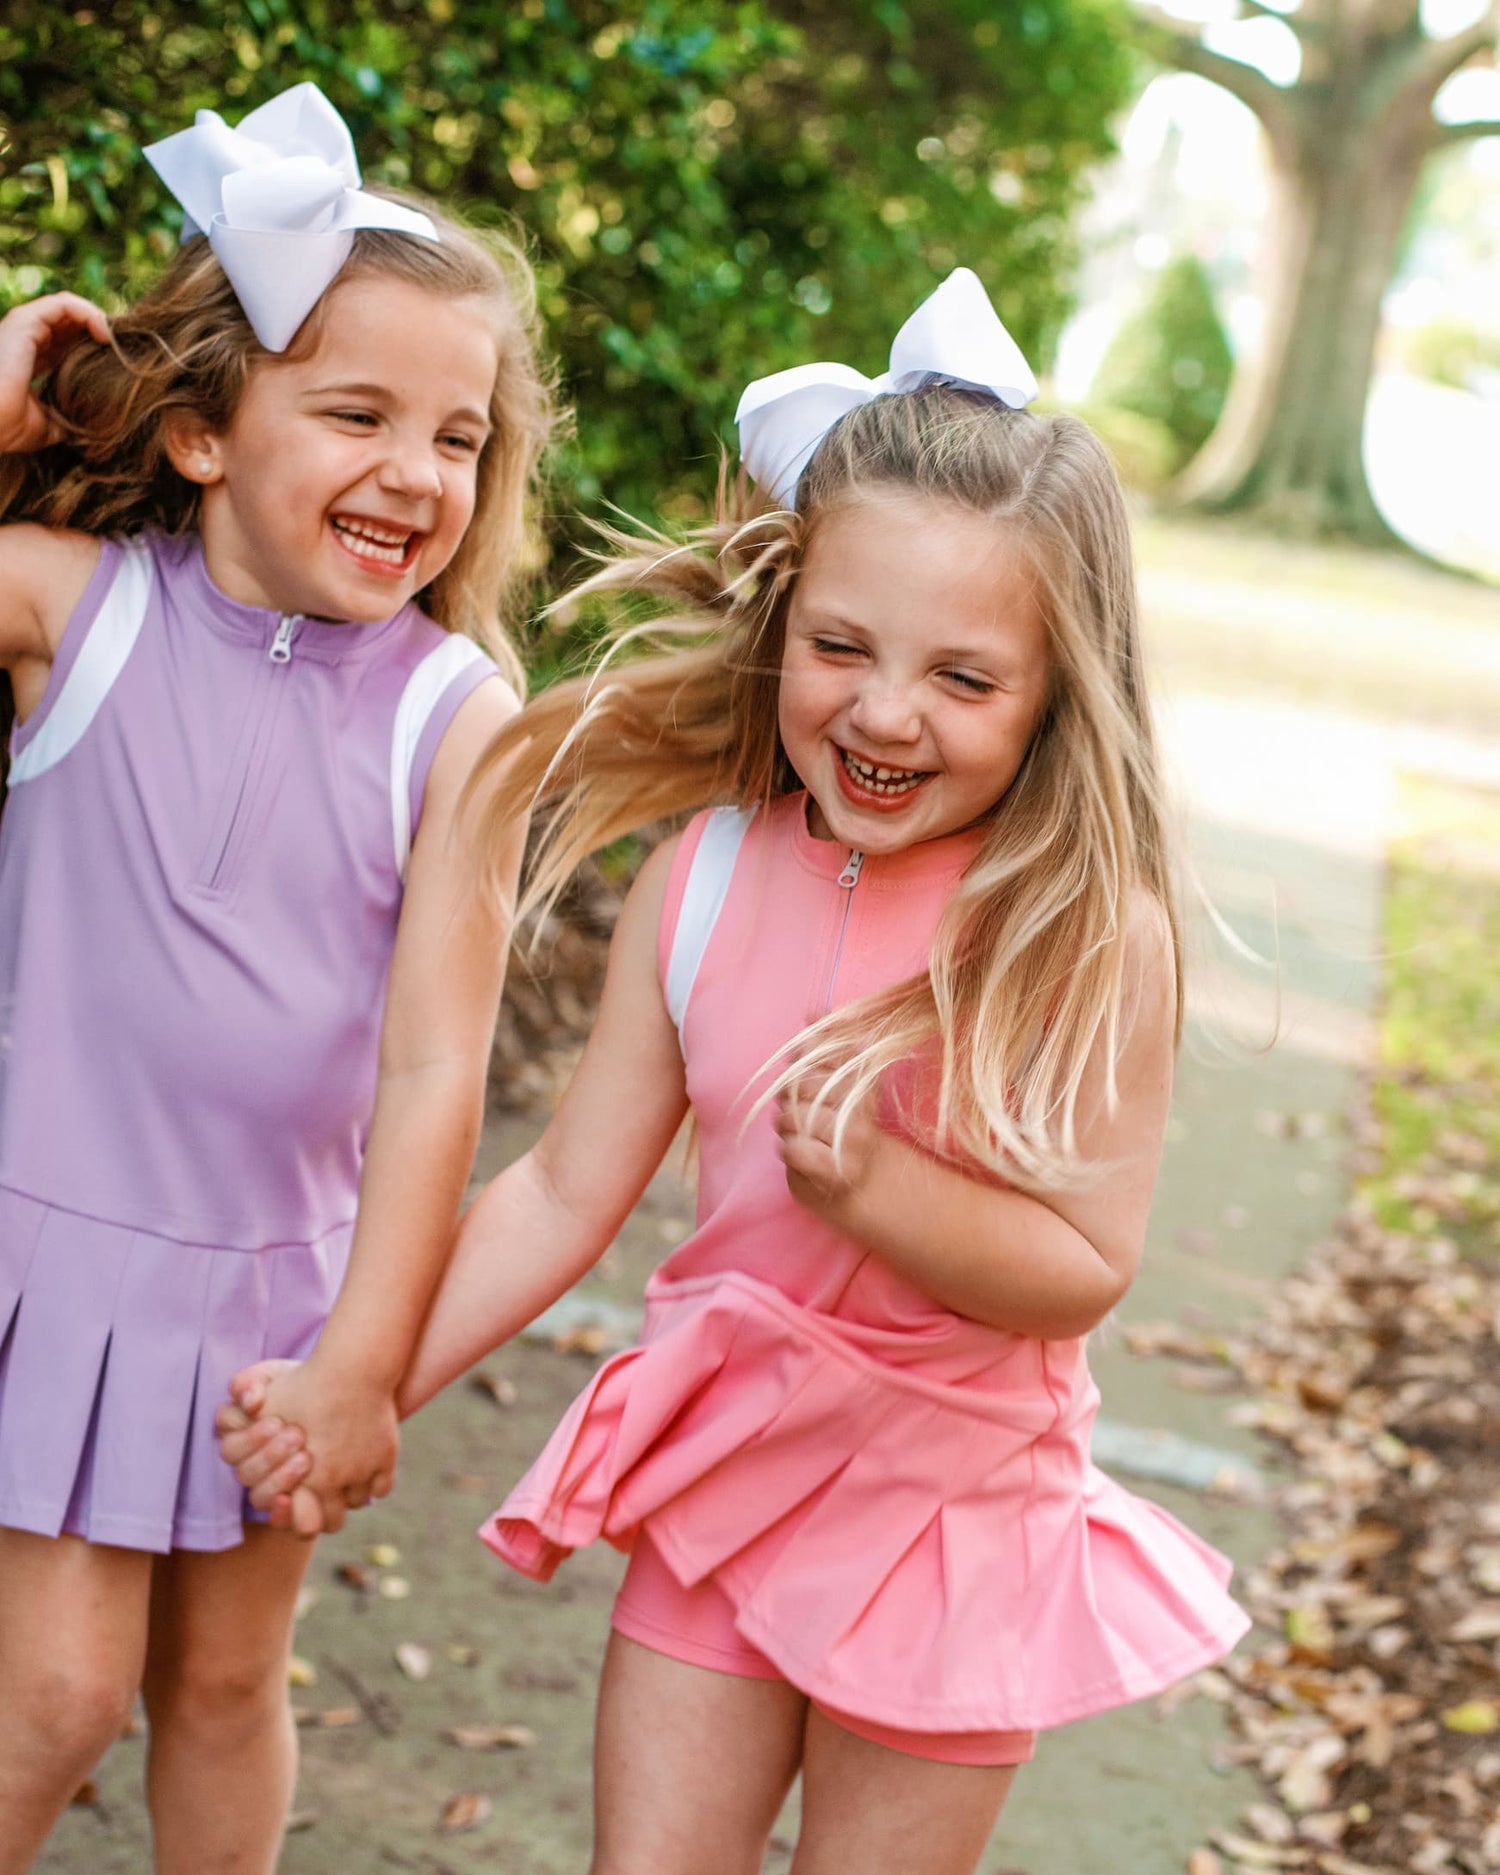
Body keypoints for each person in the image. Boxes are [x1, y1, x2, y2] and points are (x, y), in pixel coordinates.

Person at [225, 268, 1249, 1875]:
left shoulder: (1077, 930)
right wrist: (358, 1387)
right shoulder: (703, 876)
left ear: (1060, 691)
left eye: (965, 680)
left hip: (950, 1521)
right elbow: (564, 1188)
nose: (887, 712)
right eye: (844, 647)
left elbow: (1080, 1270)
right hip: (723, 1480)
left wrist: (884, 1190)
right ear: (785, 624)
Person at [0, 82, 552, 1874]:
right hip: (50, 1253)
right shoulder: (66, 609)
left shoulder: (454, 721)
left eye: (459, 438)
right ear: (202, 434)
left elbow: (430, 1078)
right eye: (359, 412)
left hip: (276, 1312)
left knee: (229, 1690)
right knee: (54, 1696)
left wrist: (362, 1367)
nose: (418, 472)